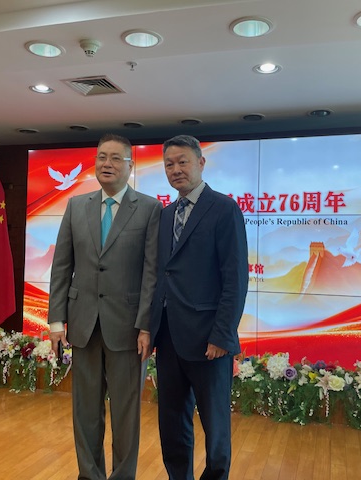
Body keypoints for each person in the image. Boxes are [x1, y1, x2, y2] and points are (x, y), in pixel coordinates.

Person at [48, 133, 161, 480]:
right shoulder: (76, 206)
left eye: (115, 158)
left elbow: (152, 273)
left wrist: (146, 325)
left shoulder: (149, 208)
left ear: (130, 165)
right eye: (101, 157)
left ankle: (123, 475)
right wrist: (56, 322)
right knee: (85, 410)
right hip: (83, 325)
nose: (106, 164)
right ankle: (90, 475)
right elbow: (62, 266)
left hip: (128, 329)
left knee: (126, 412)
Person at [147, 135, 248, 480]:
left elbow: (235, 278)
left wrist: (222, 334)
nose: (176, 170)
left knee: (215, 425)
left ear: (201, 163)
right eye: (169, 164)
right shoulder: (165, 215)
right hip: (169, 337)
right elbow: (162, 275)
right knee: (172, 422)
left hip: (209, 341)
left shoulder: (223, 209)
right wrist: (150, 329)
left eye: (183, 162)